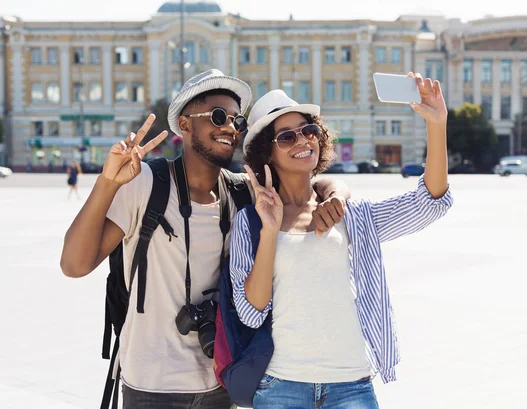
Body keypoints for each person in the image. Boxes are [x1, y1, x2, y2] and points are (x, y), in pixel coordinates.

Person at [59, 69, 348, 409]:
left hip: (220, 385)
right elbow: (74, 265)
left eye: (237, 122)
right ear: (184, 124)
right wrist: (108, 182)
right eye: (218, 116)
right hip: (151, 386)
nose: (230, 128)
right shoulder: (147, 184)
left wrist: (337, 191)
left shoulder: (243, 192)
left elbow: (308, 189)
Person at [229, 73, 454, 408]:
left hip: (351, 386)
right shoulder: (250, 223)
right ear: (267, 155)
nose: (303, 141)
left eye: (309, 131)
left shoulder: (352, 215)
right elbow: (251, 312)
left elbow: (428, 204)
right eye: (286, 137)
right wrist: (271, 230)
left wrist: (436, 125)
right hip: (281, 387)